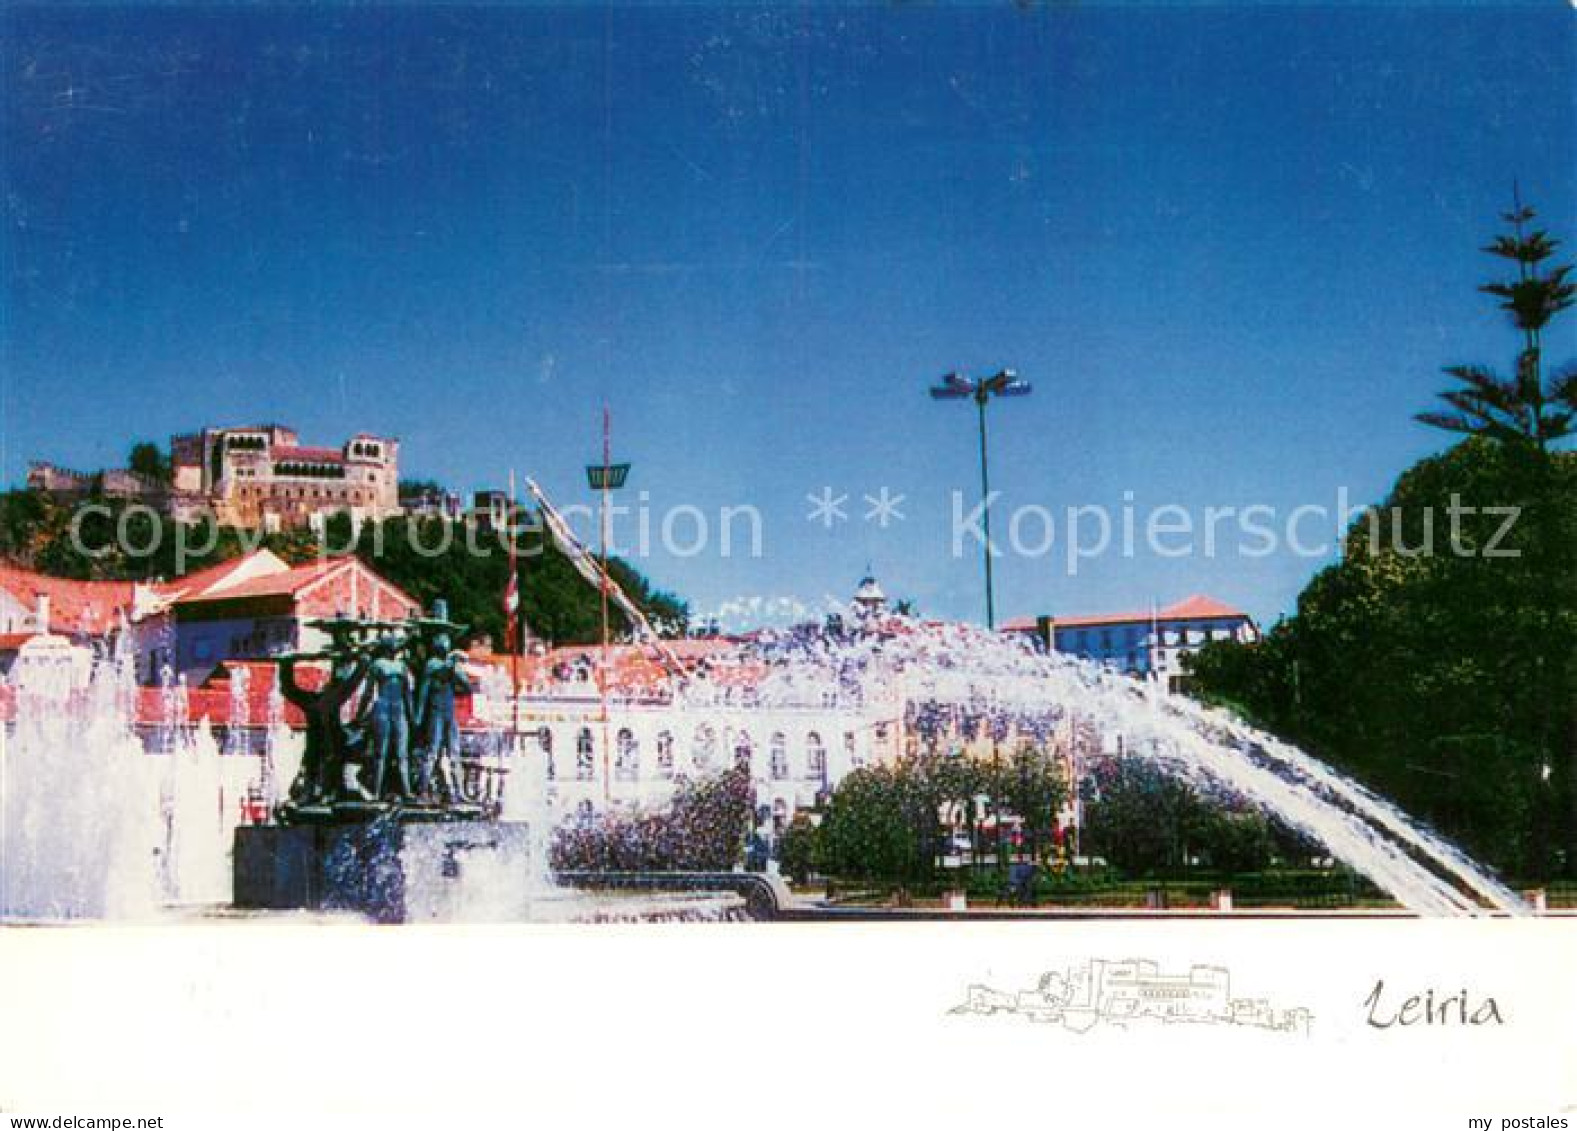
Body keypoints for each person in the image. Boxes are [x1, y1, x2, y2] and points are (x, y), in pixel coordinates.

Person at [279, 646, 368, 804]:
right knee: (327, 767)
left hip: (320, 743)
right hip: (329, 743)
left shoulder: (313, 702)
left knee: (315, 768)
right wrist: (363, 663)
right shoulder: (331, 699)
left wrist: (285, 665)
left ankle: (314, 793)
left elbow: (288, 689)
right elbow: (352, 683)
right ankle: (324, 793)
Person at [415, 632, 473, 804]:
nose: (444, 645)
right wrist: (418, 716)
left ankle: (460, 791)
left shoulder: (450, 666)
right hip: (436, 713)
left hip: (449, 713)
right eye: (442, 643)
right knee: (432, 751)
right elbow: (424, 691)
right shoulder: (432, 664)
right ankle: (423, 790)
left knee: (455, 753)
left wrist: (457, 673)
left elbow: (467, 685)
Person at [362, 634, 415, 801]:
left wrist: (412, 715)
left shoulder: (402, 666)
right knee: (380, 752)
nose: (395, 649)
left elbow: (407, 693)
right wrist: (360, 713)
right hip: (383, 708)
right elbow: (368, 692)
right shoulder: (377, 664)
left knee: (402, 753)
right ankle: (376, 791)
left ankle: (406, 791)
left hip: (399, 709)